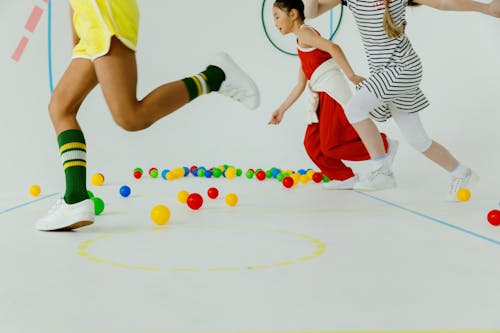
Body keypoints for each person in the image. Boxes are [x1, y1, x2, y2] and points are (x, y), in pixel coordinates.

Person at [36, 0, 260, 231]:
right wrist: (78, 32)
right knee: (60, 107)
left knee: (130, 117)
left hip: (103, 12)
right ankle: (76, 198)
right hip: (89, 21)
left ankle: (215, 76)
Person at [304, 0, 499, 197]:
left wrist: (487, 8)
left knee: (355, 108)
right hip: (387, 74)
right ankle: (461, 173)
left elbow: (442, 3)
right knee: (418, 140)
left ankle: (382, 171)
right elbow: (311, 12)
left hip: (403, 69)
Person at [268, 0, 398, 189]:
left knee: (331, 145)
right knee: (313, 144)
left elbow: (333, 48)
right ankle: (344, 177)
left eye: (277, 16)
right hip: (319, 96)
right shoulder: (301, 41)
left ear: (293, 14)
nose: (275, 23)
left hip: (331, 92)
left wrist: (351, 75)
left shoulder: (305, 33)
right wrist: (281, 110)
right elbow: (300, 84)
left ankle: (385, 145)